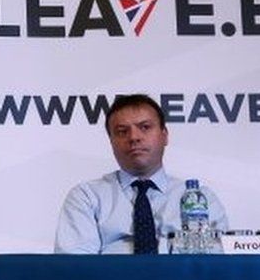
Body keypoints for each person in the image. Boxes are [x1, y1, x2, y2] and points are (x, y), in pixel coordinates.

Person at [55, 94, 228, 254]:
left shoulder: (199, 198)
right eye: (122, 131)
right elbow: (75, 270)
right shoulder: (87, 197)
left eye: (145, 127)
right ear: (111, 142)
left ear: (164, 135)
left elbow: (216, 267)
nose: (134, 137)